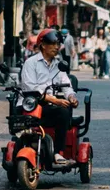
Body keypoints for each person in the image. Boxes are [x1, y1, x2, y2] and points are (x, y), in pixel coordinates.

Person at [20, 28, 78, 166]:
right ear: (43, 45)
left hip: (48, 108)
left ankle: (58, 152)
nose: (56, 47)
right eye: (53, 44)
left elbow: (66, 85)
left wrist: (71, 96)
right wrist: (54, 100)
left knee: (64, 112)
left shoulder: (58, 65)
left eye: (58, 44)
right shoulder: (31, 63)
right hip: (31, 105)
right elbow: (30, 88)